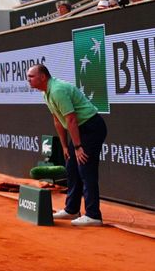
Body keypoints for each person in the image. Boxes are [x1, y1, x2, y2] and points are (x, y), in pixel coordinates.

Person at [27, 64, 107, 226]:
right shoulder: (46, 93)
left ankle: (93, 215)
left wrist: (77, 147)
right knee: (71, 167)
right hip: (80, 129)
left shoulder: (57, 91)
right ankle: (72, 210)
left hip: (91, 128)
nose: (28, 80)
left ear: (43, 77)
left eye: (31, 76)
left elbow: (71, 119)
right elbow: (58, 120)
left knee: (86, 169)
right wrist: (65, 146)